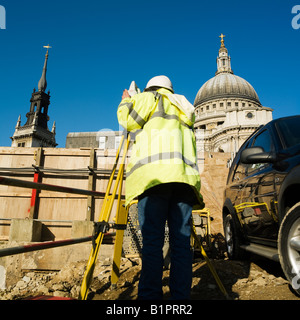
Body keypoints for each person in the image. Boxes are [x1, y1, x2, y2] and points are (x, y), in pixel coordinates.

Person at [117, 75, 204, 300]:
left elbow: (127, 121)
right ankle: (180, 299)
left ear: (150, 88)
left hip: (154, 181)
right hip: (183, 182)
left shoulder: (148, 98)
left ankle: (150, 298)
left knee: (153, 242)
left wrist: (127, 100)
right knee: (182, 244)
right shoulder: (184, 105)